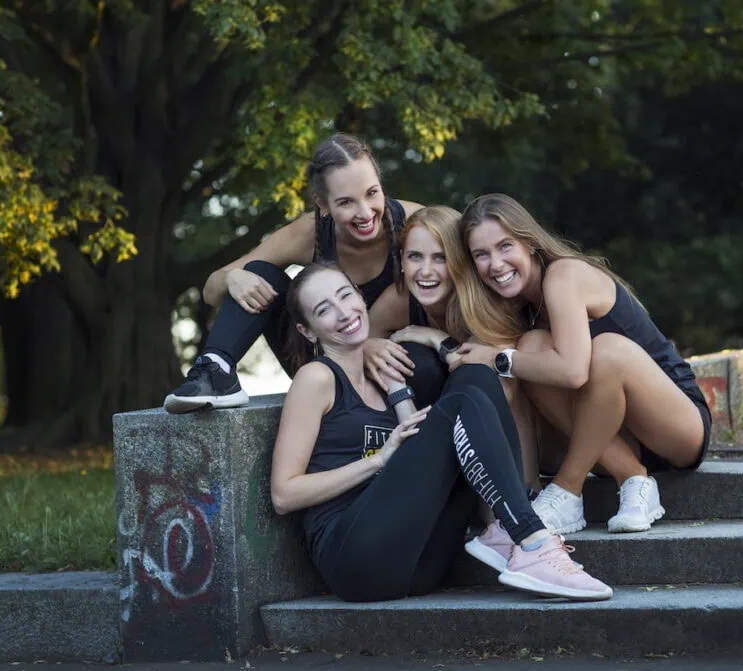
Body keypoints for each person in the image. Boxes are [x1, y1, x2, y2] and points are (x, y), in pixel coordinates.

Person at [269, 261, 612, 602]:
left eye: (345, 295)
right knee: (459, 402)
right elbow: (284, 495)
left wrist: (398, 390)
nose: (344, 312)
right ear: (307, 331)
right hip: (355, 560)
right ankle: (530, 538)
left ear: (360, 295)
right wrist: (377, 461)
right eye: (324, 310)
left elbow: (416, 454)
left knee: (476, 375)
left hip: (419, 562)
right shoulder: (317, 378)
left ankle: (503, 528)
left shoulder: (383, 374)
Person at [447, 194, 712, 535]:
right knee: (531, 348)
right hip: (615, 439)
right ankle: (632, 477)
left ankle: (567, 488)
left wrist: (500, 359)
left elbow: (573, 372)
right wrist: (427, 336)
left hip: (677, 428)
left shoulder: (564, 275)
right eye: (481, 254)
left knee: (605, 352)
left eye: (505, 246)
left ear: (529, 242)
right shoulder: (520, 310)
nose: (496, 264)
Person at [163, 133, 424, 413]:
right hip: (323, 362)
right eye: (346, 202)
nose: (365, 212)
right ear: (322, 204)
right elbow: (210, 291)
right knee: (259, 272)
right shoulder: (308, 233)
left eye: (372, 193)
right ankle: (215, 372)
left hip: (397, 362)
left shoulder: (415, 224)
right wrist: (232, 278)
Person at [364, 206, 540, 486]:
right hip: (437, 431)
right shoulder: (398, 300)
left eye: (440, 258)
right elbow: (351, 351)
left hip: (519, 438)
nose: (426, 271)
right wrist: (369, 347)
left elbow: (485, 379)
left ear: (459, 261)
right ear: (402, 259)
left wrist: (436, 338)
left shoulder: (485, 301)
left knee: (493, 380)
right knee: (412, 361)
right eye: (415, 256)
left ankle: (527, 490)